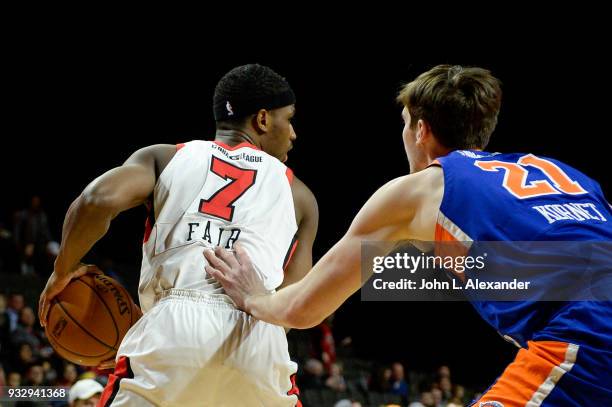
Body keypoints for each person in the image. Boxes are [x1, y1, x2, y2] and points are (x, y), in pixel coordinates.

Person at [205, 64, 612, 405]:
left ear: (420, 131)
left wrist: (256, 297)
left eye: (404, 126)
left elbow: (304, 309)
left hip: (588, 333)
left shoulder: (421, 189)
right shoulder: (563, 174)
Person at [38, 64, 318, 406]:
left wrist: (62, 270)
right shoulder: (300, 196)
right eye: (289, 119)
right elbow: (296, 301)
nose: (293, 134)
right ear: (262, 119)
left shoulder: (165, 157)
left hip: (173, 326)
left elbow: (98, 200)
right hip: (257, 334)